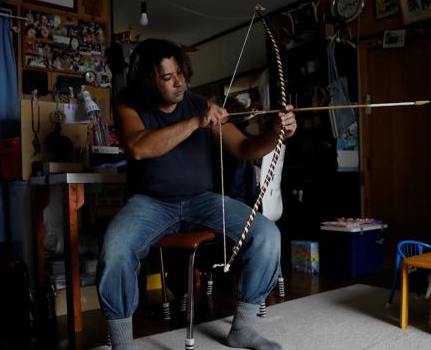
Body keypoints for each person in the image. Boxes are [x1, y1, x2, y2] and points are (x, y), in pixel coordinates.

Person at [97, 38, 297, 350]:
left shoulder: (201, 105)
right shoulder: (129, 105)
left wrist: (275, 132)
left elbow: (245, 148)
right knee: (115, 248)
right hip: (150, 203)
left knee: (267, 233)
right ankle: (122, 345)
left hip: (202, 201)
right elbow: (138, 147)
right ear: (148, 79)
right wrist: (195, 122)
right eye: (168, 77)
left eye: (181, 73)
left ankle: (242, 328)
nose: (179, 83)